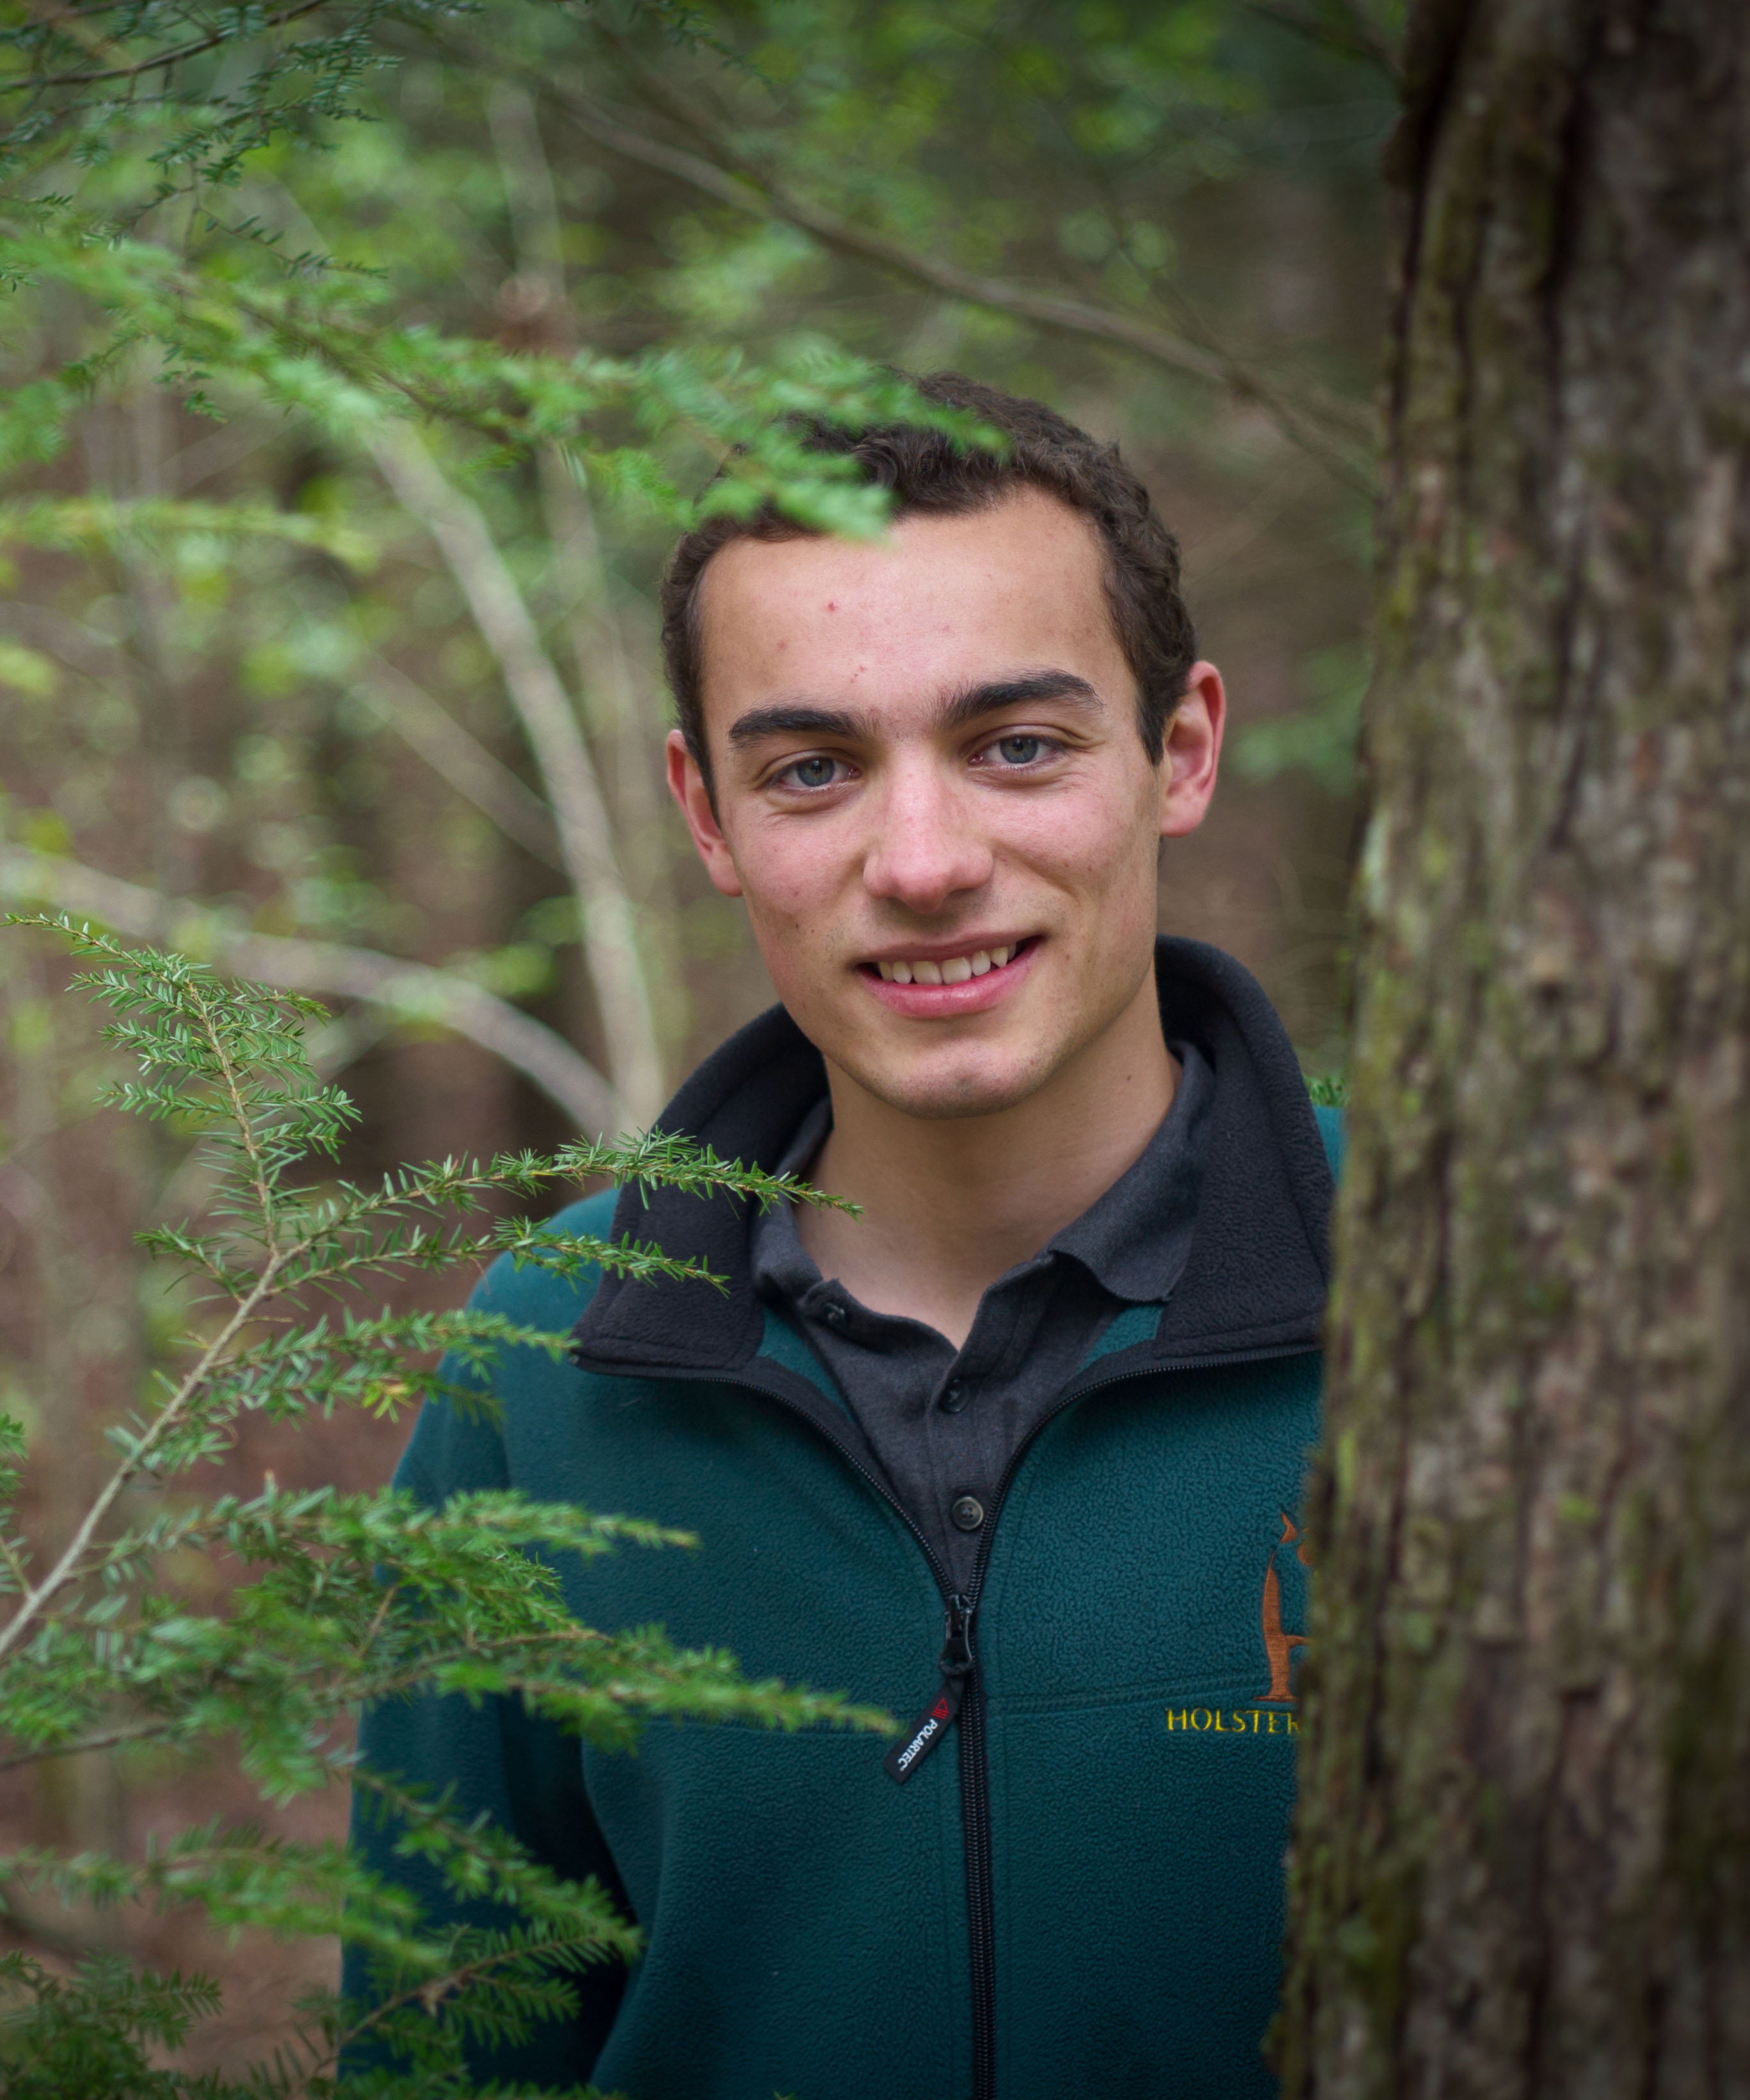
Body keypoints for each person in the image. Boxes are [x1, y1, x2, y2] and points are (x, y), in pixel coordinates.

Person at [351, 373, 1339, 2098]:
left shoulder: (1457, 1302)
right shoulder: (546, 1369)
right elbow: (445, 2055)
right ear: (708, 817)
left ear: (1178, 752)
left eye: (1016, 746)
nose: (925, 858)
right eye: (814, 770)